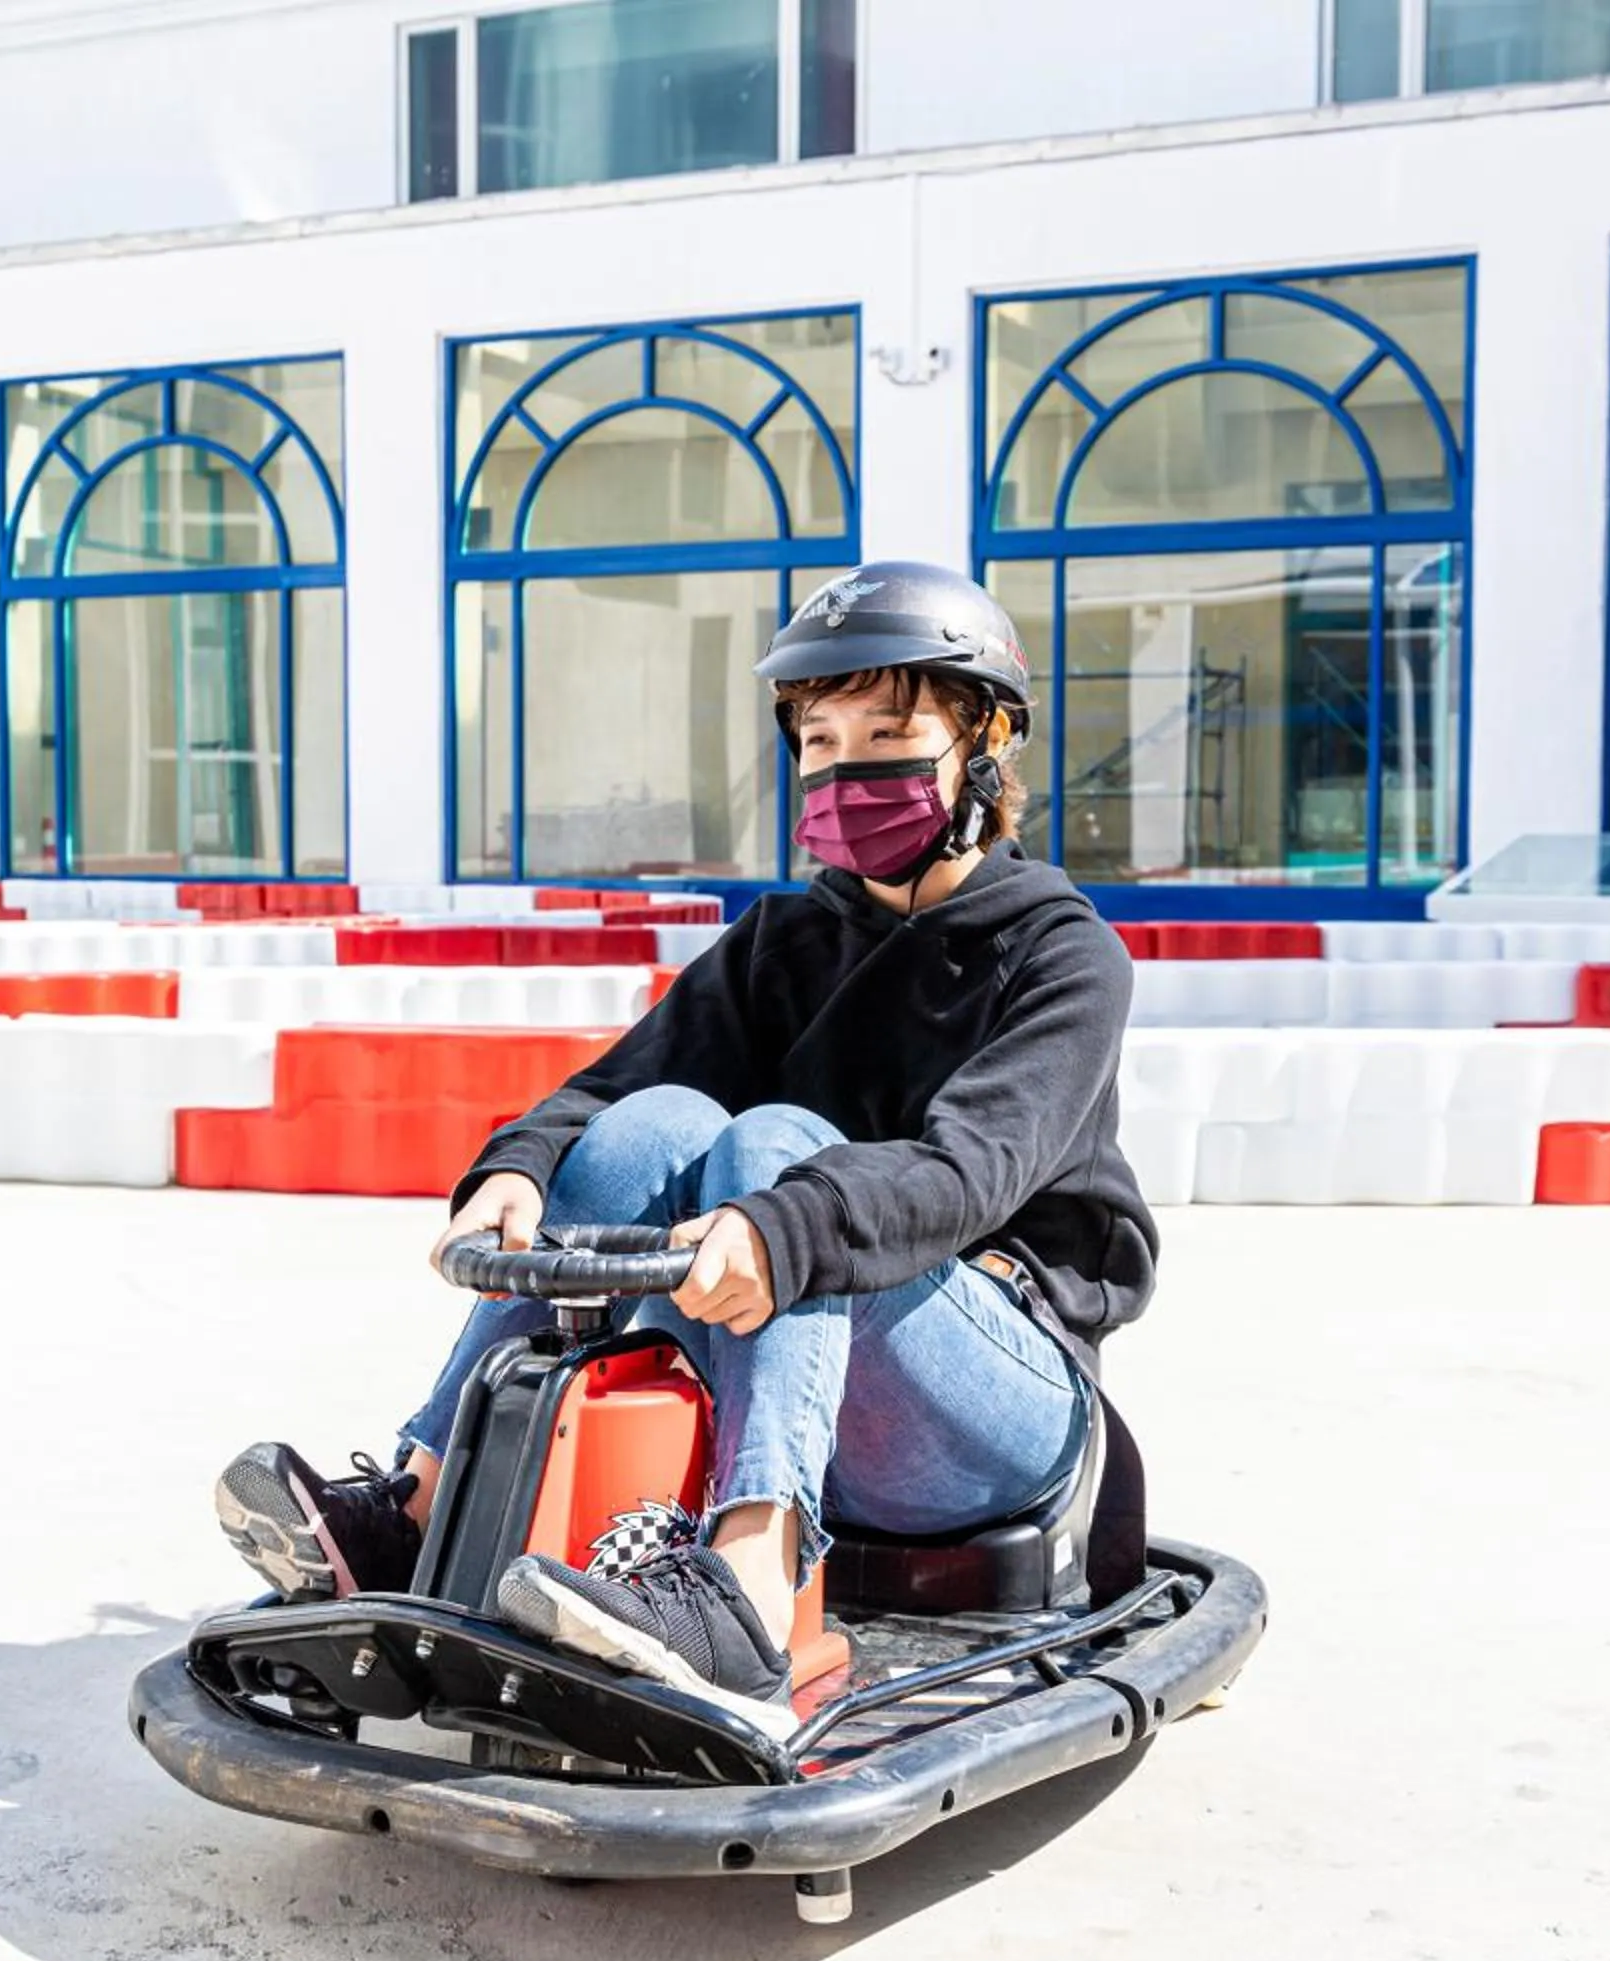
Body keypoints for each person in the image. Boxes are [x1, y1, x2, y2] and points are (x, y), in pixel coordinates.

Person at [210, 561, 1156, 1736]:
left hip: (994, 1420)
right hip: (795, 1388)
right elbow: (623, 1080)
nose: (849, 763)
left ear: (984, 742)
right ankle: (417, 1504)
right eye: (821, 735)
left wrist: (782, 1218)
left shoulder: (1063, 955)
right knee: (653, 1126)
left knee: (776, 1148)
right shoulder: (790, 938)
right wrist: (517, 1167)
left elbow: (974, 1172)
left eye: (891, 728)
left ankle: (751, 1596)